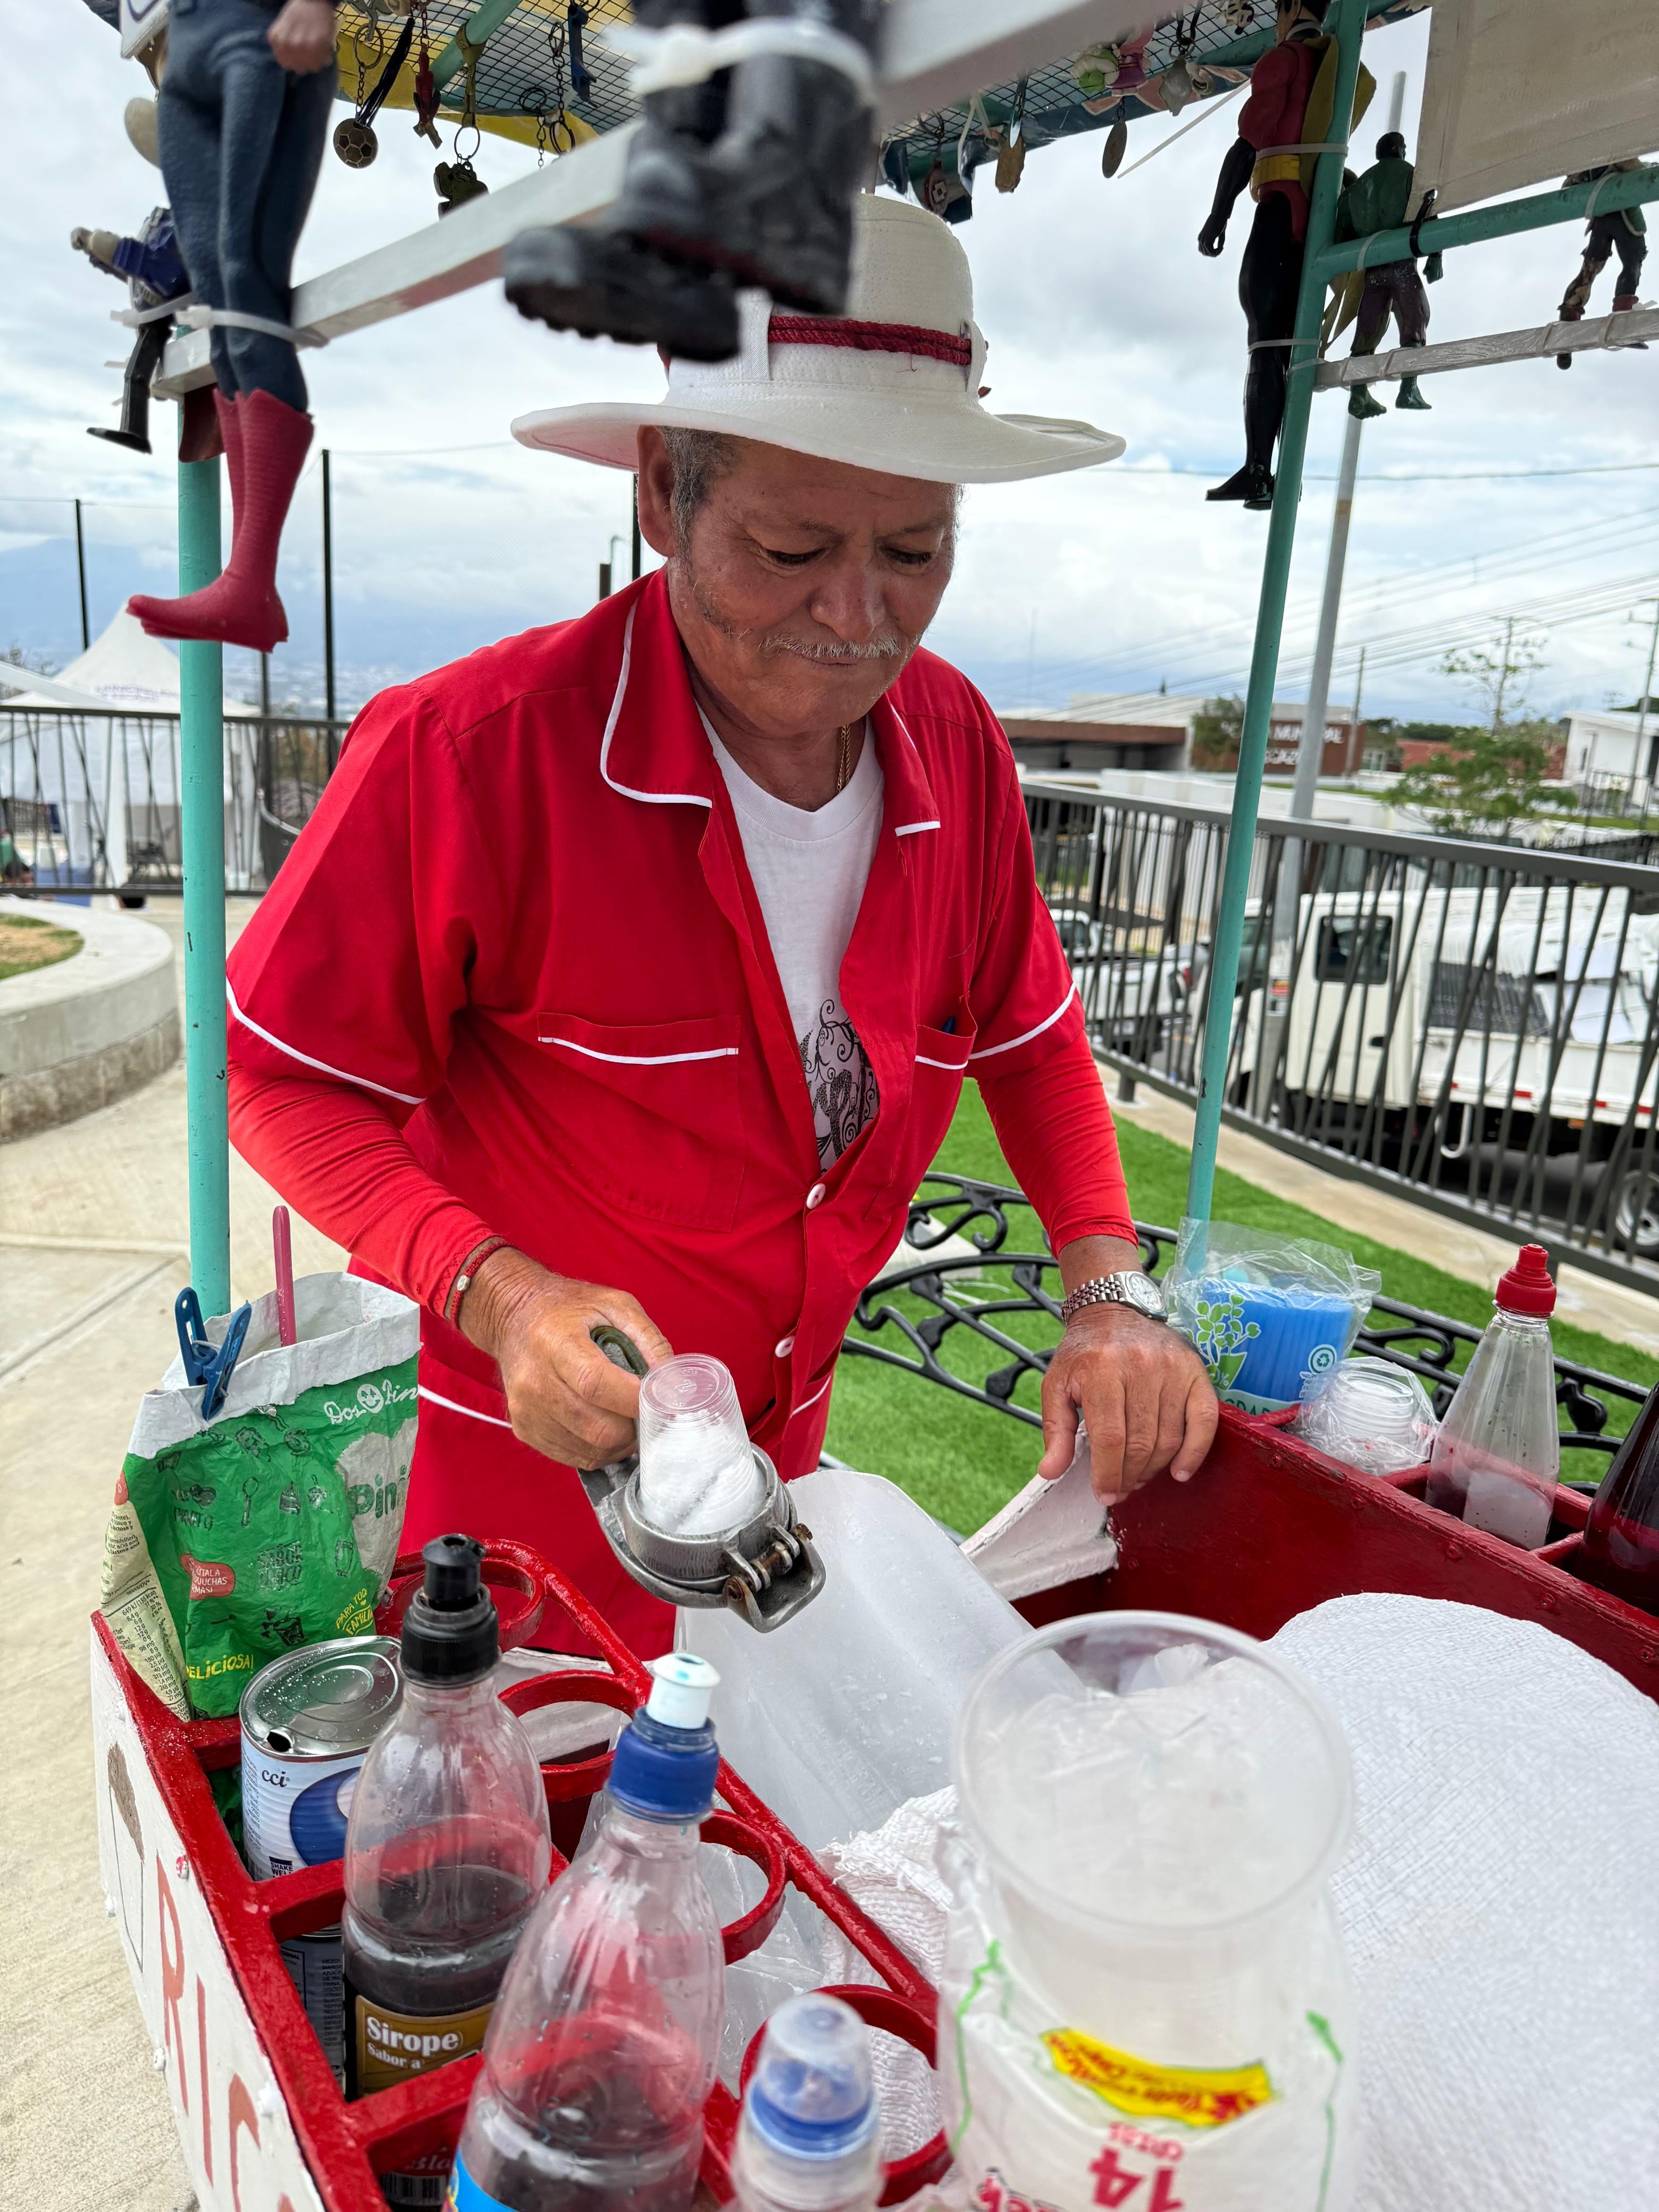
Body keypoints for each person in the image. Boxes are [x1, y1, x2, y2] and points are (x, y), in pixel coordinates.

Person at [227, 195, 1219, 1656]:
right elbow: (282, 1077)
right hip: (506, 1477)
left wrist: (1106, 1284)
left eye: (917, 550)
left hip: (773, 1472)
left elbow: (1031, 1036)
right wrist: (498, 1294)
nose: (858, 616)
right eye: (791, 545)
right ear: (659, 498)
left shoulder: (956, 744)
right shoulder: (465, 753)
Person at [127, 0, 338, 651]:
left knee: (246, 278)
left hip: (258, 33)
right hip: (182, 53)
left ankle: (251, 579)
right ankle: (246, 586)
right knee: (216, 294)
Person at [1199, 0, 1373, 508]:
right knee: (1288, 346)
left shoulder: (1286, 59)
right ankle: (1271, 469)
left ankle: (1257, 467)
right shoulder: (1336, 67)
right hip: (1313, 210)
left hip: (1278, 205)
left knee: (1263, 344)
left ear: (1292, 7)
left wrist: (1218, 214)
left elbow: (1247, 144)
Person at [1335, 130, 1433, 419]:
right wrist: (1436, 257)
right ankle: (1408, 388)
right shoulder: (1411, 175)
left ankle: (1359, 393)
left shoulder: (1360, 185)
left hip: (1372, 269)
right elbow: (1428, 209)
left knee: (1368, 327)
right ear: (1400, 150)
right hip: (1402, 264)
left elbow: (1343, 222)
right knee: (1415, 320)